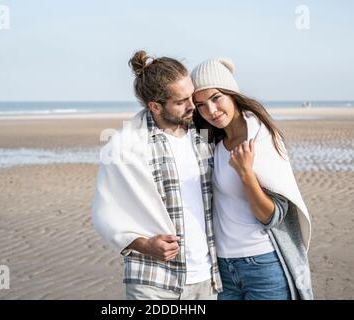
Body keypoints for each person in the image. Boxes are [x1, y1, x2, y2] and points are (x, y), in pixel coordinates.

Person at [91, 51, 222, 300]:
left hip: (208, 277)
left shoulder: (204, 134)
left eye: (191, 96)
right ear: (155, 106)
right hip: (154, 281)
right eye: (181, 101)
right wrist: (145, 245)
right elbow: (105, 215)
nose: (192, 106)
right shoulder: (123, 146)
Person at [190, 58, 313, 300]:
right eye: (201, 105)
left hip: (262, 265)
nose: (211, 111)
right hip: (222, 268)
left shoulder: (262, 139)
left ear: (232, 93)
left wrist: (246, 174)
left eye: (216, 98)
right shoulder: (211, 143)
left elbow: (271, 216)